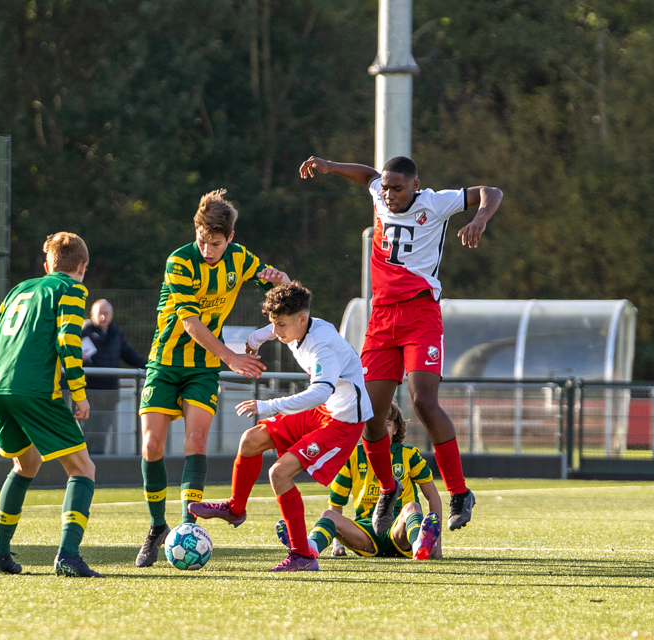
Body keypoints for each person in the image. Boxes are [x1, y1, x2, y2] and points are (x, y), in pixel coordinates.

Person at [299, 155, 503, 534]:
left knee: (423, 401)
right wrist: (329, 166)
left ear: (415, 185)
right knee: (371, 417)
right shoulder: (379, 191)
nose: (389, 194)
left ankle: (459, 493)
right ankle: (388, 489)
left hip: (420, 316)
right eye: (387, 188)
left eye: (398, 188)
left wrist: (479, 218)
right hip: (381, 320)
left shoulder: (435, 203)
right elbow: (368, 176)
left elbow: (491, 191)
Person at [135, 189, 290, 567]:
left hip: (203, 367)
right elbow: (190, 323)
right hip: (166, 363)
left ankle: (188, 527)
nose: (208, 250)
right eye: (203, 241)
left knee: (196, 438)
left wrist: (280, 278)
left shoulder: (240, 258)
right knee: (152, 446)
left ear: (230, 239)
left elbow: (282, 290)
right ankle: (158, 527)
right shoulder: (180, 261)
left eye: (215, 243)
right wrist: (232, 357)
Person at [189, 281, 374, 571]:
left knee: (279, 474)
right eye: (274, 324)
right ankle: (235, 509)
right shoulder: (294, 325)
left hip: (343, 421)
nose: (278, 331)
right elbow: (274, 327)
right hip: (325, 410)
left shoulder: (320, 344)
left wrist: (268, 405)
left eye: (282, 325)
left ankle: (303, 555)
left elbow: (320, 392)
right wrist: (256, 337)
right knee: (251, 439)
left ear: (302, 320)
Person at [0, 232, 103, 578]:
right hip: (33, 389)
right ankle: (68, 555)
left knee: (26, 464)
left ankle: (0, 553)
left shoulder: (19, 289)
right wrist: (79, 394)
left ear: (47, 265)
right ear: (82, 266)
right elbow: (68, 342)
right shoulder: (72, 290)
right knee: (82, 469)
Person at [277, 402, 442, 561]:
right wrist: (337, 544)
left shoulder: (409, 455)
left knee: (412, 507)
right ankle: (307, 546)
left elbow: (432, 495)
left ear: (396, 429)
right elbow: (337, 500)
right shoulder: (352, 456)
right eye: (374, 425)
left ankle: (420, 546)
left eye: (387, 424)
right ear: (363, 428)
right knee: (328, 515)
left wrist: (437, 545)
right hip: (366, 534)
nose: (381, 430)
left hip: (400, 531)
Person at [80, 299, 148, 454]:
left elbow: (129, 354)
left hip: (110, 391)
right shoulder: (84, 332)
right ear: (92, 314)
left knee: (103, 429)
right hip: (90, 390)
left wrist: (150, 366)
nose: (103, 317)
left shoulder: (115, 333)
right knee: (89, 430)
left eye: (106, 313)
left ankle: (98, 466)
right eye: (100, 313)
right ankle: (85, 467)